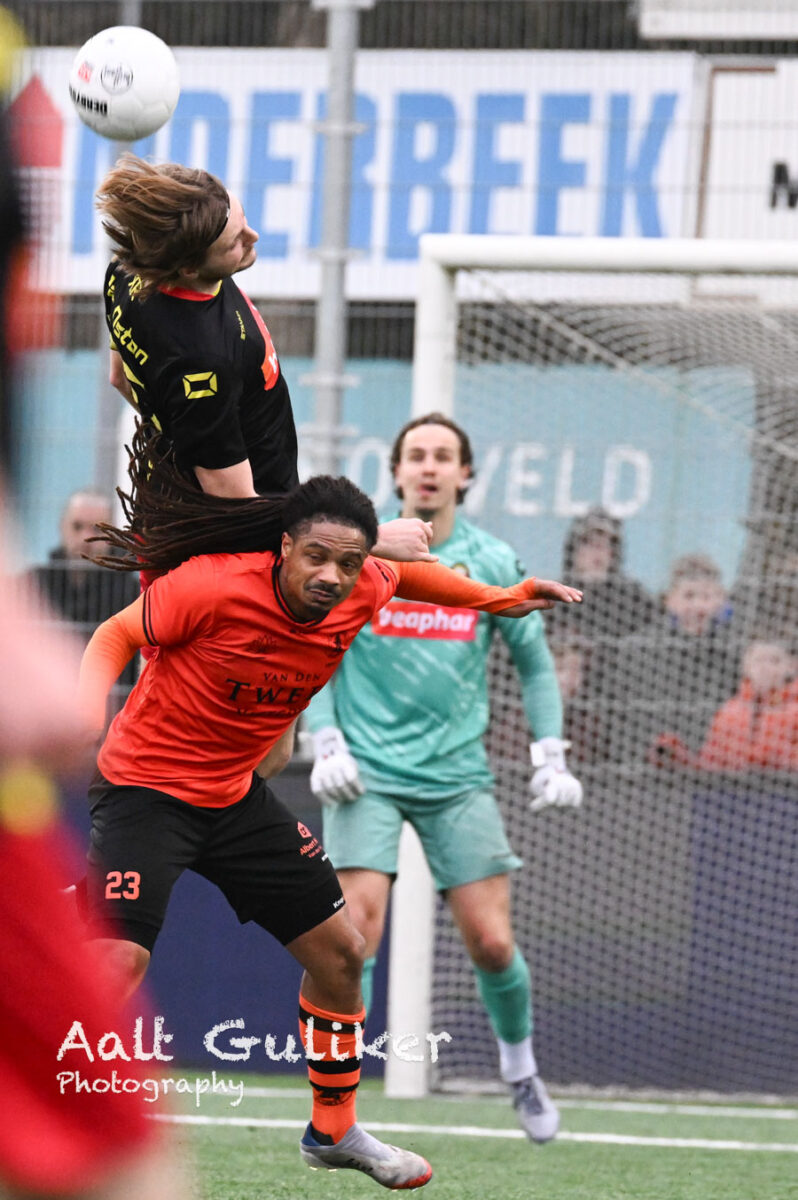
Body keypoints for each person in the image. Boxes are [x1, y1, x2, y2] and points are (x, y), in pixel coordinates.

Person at [77, 465, 582, 1189]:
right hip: (145, 790)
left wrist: (501, 597)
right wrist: (83, 713)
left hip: (235, 797)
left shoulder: (363, 584)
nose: (331, 576)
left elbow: (413, 579)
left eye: (348, 564)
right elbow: (114, 634)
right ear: (284, 547)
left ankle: (334, 1130)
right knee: (117, 962)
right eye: (316, 557)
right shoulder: (213, 585)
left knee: (343, 954)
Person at [304, 413, 583, 1144]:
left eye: (443, 456)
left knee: (491, 942)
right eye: (417, 455)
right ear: (397, 471)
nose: (429, 467)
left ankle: (520, 1070)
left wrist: (550, 751)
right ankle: (339, 1103)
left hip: (459, 775)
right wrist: (324, 735)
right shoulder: (360, 556)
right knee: (354, 935)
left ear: (465, 474)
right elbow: (312, 640)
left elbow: (534, 662)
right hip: (365, 773)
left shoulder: (490, 558)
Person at [95, 153, 432, 561]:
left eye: (243, 221)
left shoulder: (129, 268)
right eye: (235, 242)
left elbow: (120, 376)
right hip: (238, 555)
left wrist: (185, 433)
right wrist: (368, 538)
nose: (253, 237)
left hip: (184, 518)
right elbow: (239, 508)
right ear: (188, 269)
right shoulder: (203, 364)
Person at [615, 552, 740, 763]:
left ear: (721, 600)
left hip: (714, 765)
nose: (698, 606)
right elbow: (628, 720)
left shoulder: (734, 651)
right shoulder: (640, 649)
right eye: (689, 596)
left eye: (707, 597)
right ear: (669, 599)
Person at [655, 636, 798, 772]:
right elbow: (709, 765)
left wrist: (756, 759)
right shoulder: (729, 711)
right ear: (746, 666)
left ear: (792, 666)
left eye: (774, 661)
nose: (765, 668)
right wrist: (677, 754)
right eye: (758, 661)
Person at [546, 506, 656, 643]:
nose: (598, 551)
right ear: (574, 550)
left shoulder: (633, 598)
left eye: (605, 543)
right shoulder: (555, 599)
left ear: (614, 553)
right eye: (589, 543)